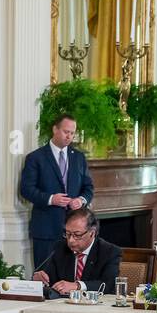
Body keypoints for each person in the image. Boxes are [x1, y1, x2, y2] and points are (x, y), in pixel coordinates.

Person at [19, 113, 95, 268]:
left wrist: (81, 200)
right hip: (46, 229)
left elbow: (88, 188)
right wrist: (51, 199)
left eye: (72, 133)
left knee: (71, 276)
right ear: (55, 129)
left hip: (76, 232)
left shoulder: (79, 158)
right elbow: (26, 189)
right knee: (45, 276)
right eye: (66, 132)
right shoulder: (35, 158)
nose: (69, 136)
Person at [32, 207, 121, 297]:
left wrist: (77, 286)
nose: (71, 240)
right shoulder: (60, 247)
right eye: (68, 234)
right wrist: (41, 279)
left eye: (77, 235)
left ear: (92, 233)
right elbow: (51, 279)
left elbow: (108, 285)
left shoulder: (109, 252)